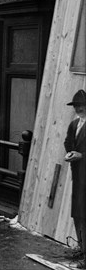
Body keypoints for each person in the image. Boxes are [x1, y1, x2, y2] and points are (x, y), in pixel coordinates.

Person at [64, 89, 86, 266]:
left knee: (84, 213)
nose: (79, 108)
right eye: (76, 105)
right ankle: (81, 247)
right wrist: (70, 152)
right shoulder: (74, 124)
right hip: (77, 174)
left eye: (82, 105)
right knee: (77, 214)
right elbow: (68, 142)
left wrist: (82, 156)